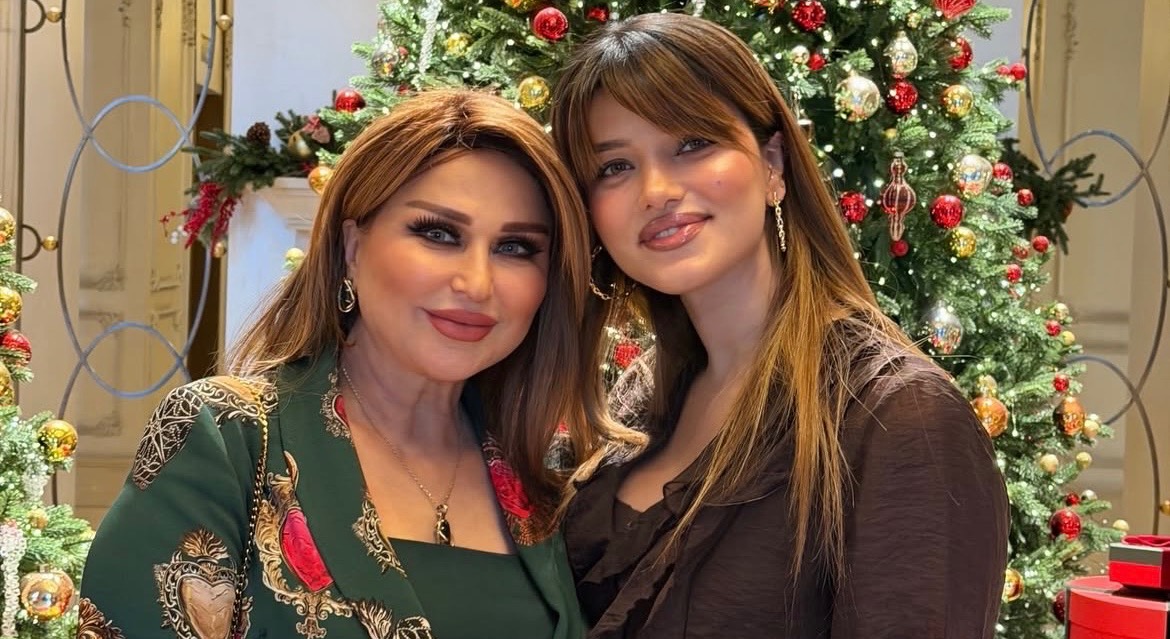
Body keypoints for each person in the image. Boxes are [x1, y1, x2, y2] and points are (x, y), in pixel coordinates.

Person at [549, 13, 1010, 638]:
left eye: (691, 144)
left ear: (772, 164)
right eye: (613, 168)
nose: (655, 191)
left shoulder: (897, 415)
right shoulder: (634, 400)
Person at [78, 89, 597, 639]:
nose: (476, 282)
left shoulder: (551, 471)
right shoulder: (228, 436)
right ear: (352, 245)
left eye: (515, 248)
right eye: (438, 234)